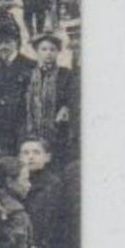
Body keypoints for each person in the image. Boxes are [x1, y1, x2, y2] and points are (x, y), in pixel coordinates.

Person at [24, 33, 78, 162]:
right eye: (44, 49)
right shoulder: (28, 74)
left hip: (57, 129)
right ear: (36, 52)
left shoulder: (65, 74)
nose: (48, 53)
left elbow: (71, 96)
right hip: (32, 128)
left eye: (52, 49)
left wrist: (65, 108)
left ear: (58, 52)